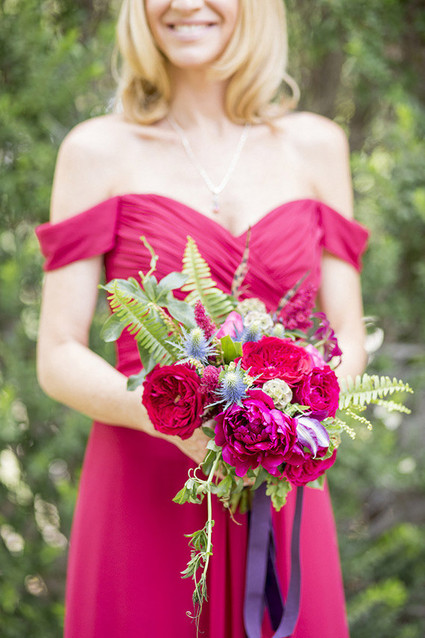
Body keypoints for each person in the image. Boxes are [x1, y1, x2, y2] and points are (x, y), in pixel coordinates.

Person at [36, 1, 369, 636]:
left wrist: (291, 420)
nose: (187, 4)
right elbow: (56, 353)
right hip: (143, 485)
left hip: (282, 490)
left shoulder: (317, 146)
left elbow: (349, 335)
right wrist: (169, 418)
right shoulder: (95, 152)